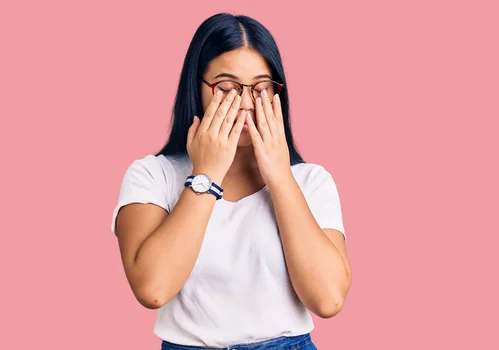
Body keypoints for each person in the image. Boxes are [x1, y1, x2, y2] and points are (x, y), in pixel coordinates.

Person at [111, 12, 352, 350]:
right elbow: (153, 289)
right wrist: (206, 175)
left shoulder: (311, 181)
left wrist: (280, 178)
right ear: (196, 88)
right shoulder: (152, 176)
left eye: (261, 88)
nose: (244, 103)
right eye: (226, 88)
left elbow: (328, 300)